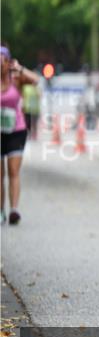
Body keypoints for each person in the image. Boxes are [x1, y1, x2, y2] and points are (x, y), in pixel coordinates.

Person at [1, 45, 41, 225]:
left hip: (16, 130)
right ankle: (1, 211)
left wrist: (20, 68)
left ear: (8, 62)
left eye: (2, 60)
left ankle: (14, 210)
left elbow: (36, 80)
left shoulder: (16, 78)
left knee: (13, 171)